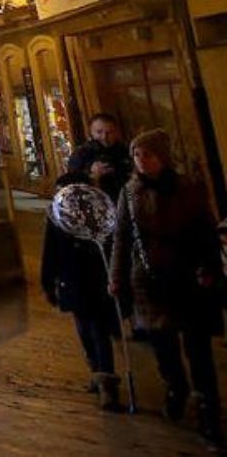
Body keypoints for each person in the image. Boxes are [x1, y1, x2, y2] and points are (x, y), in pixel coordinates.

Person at [110, 128, 222, 441]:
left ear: (163, 157)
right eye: (136, 155)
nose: (141, 161)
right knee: (163, 345)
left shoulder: (188, 188)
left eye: (147, 155)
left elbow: (206, 231)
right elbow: (121, 237)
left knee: (198, 349)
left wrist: (210, 267)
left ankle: (207, 408)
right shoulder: (130, 193)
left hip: (187, 274)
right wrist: (116, 277)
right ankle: (176, 387)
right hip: (148, 279)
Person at [42, 170, 124, 411]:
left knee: (95, 329)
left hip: (91, 280)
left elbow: (51, 253)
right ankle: (98, 373)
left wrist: (48, 282)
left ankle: (105, 378)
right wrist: (48, 281)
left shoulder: (90, 214)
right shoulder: (59, 216)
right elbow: (51, 251)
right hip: (79, 280)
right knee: (89, 330)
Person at [69, 113, 133, 198]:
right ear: (91, 132)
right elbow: (71, 184)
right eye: (99, 132)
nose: (104, 137)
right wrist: (91, 174)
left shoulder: (127, 150)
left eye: (109, 132)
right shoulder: (81, 153)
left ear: (116, 132)